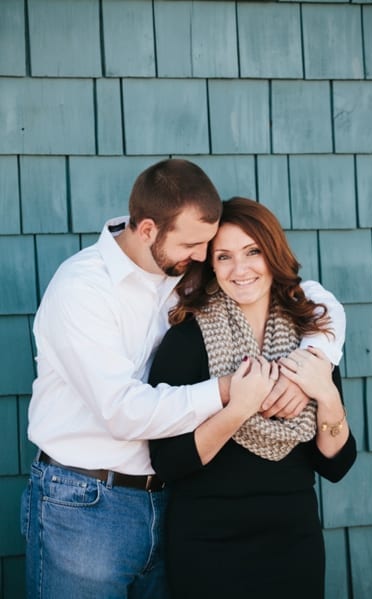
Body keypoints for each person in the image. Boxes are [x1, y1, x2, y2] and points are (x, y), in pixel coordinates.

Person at [21, 159, 345, 598]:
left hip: (161, 502)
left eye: (205, 247)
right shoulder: (83, 289)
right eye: (198, 247)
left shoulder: (180, 275)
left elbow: (316, 299)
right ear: (149, 230)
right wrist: (233, 390)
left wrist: (318, 358)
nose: (201, 259)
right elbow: (123, 411)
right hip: (87, 499)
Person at [147, 197, 356, 598]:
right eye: (224, 257)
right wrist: (240, 406)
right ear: (211, 266)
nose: (240, 269)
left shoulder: (310, 339)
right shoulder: (189, 338)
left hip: (293, 543)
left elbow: (336, 465)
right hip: (209, 546)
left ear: (272, 253)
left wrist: (326, 394)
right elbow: (168, 462)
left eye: (252, 252)